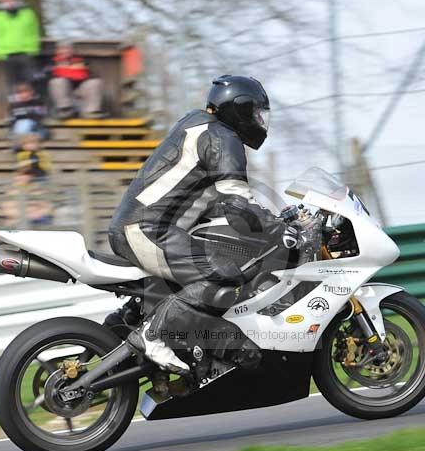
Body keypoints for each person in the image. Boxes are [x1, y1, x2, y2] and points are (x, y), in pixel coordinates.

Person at [107, 75, 305, 375]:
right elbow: (238, 204)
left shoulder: (197, 124)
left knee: (202, 268)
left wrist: (267, 220)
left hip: (140, 226)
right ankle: (153, 335)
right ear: (238, 109)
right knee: (223, 274)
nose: (260, 121)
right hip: (147, 230)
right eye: (256, 113)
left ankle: (129, 331)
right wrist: (281, 230)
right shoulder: (223, 139)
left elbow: (213, 199)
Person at [0, 0, 41, 87]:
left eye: (9, 0)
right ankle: (14, 101)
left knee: (32, 82)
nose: (8, 4)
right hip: (6, 54)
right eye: (4, 2)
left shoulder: (28, 13)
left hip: (26, 52)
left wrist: (33, 49)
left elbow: (34, 32)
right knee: (12, 85)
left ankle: (35, 101)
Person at [47, 41, 105, 119]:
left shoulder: (80, 61)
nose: (65, 51)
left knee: (96, 82)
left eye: (68, 48)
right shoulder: (51, 63)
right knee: (58, 82)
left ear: (72, 50)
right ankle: (65, 110)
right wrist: (62, 71)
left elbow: (94, 76)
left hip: (80, 94)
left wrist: (84, 72)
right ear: (57, 51)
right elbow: (46, 78)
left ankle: (92, 111)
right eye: (62, 49)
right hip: (64, 96)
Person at [1, 159, 53, 227]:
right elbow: (7, 211)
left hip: (37, 220)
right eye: (21, 175)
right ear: (16, 176)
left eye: (27, 175)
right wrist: (26, 216)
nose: (24, 177)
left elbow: (48, 207)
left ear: (31, 176)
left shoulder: (38, 190)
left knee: (45, 221)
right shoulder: (11, 192)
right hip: (17, 222)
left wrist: (39, 214)